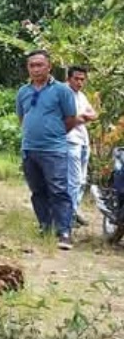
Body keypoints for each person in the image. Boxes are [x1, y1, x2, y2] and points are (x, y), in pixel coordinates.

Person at [16, 50, 78, 250]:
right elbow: (22, 118)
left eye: (39, 65)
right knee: (37, 191)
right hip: (29, 149)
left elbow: (70, 119)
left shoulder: (62, 90)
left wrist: (55, 135)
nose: (35, 69)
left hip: (54, 150)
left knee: (59, 191)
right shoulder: (23, 91)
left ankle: (64, 232)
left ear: (49, 67)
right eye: (32, 65)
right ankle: (46, 227)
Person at [66, 66, 98, 226]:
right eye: (76, 79)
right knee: (74, 180)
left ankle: (73, 211)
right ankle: (67, 216)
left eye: (82, 79)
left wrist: (82, 117)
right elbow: (69, 119)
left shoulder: (81, 96)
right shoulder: (63, 94)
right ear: (69, 79)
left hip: (83, 140)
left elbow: (93, 114)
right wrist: (80, 117)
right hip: (70, 140)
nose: (79, 82)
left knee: (82, 180)